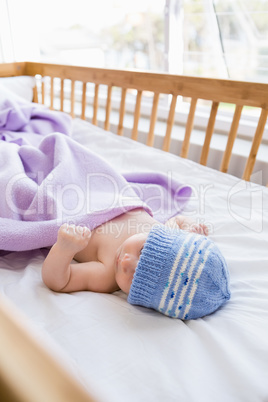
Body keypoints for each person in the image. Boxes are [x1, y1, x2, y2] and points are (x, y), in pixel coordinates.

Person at [42, 208, 230, 320]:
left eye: (135, 275)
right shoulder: (161, 231)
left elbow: (58, 280)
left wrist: (64, 248)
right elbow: (179, 220)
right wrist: (189, 229)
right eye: (141, 250)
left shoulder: (106, 276)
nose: (126, 262)